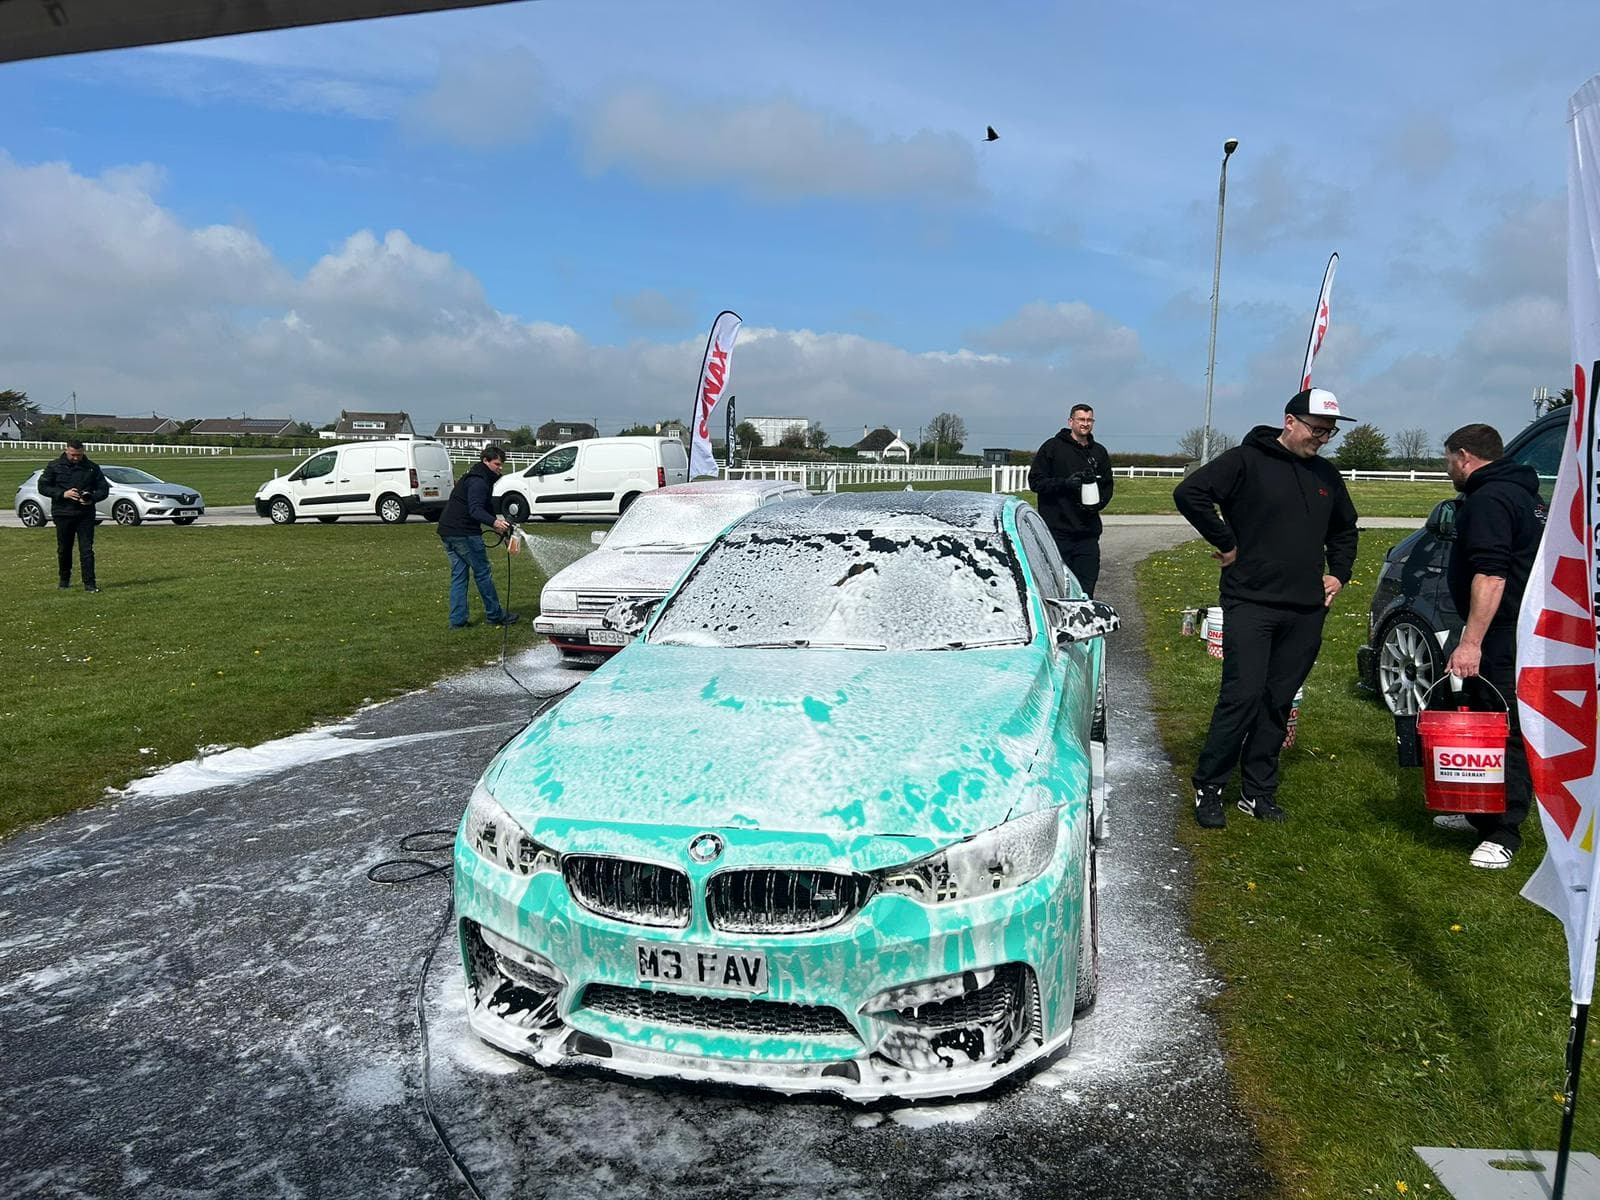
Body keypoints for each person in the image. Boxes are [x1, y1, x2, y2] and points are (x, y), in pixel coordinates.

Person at [1173, 388, 1359, 827]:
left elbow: (1345, 529)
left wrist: (1340, 573)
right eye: (1317, 429)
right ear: (1289, 421)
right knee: (1243, 695)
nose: (1322, 438)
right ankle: (1210, 785)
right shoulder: (1245, 460)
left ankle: (1257, 791)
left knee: (1278, 700)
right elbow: (1191, 493)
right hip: (1251, 601)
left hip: (1305, 609)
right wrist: (1226, 543)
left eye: (1329, 433)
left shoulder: (1327, 475)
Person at [1435, 423, 1541, 869]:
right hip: (1512, 626)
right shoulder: (1524, 494)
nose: (1448, 471)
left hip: (1503, 631)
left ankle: (1504, 830)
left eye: (1447, 462)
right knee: (1481, 718)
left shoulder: (1489, 499)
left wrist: (1471, 642)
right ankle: (1479, 807)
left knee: (1504, 724)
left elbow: (1492, 574)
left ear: (1464, 456)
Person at [1029, 403, 1114, 596]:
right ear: (1071, 421)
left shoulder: (1099, 452)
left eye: (1089, 420)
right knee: (1057, 591)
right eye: (1081, 419)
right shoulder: (1052, 447)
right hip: (1057, 533)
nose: (1085, 424)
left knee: (1085, 592)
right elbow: (1035, 482)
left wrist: (1096, 505)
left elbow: (1107, 486)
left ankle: (1083, 624)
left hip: (1087, 535)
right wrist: (1065, 484)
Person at [437, 445, 519, 630]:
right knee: (482, 573)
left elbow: (485, 506)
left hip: (447, 531)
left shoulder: (476, 476)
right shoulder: (479, 481)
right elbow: (475, 510)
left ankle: (457, 622)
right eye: (497, 464)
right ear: (485, 461)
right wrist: (495, 523)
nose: (500, 468)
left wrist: (499, 527)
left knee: (459, 576)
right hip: (464, 533)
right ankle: (495, 615)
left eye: (502, 464)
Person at [38, 439, 110, 593]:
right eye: (73, 455)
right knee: (64, 549)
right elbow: (43, 487)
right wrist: (62, 494)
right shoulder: (54, 466)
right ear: (66, 451)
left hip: (85, 514)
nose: (76, 458)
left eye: (79, 454)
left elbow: (104, 490)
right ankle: (64, 580)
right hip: (63, 513)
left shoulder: (92, 468)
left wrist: (92, 497)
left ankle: (90, 584)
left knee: (87, 549)